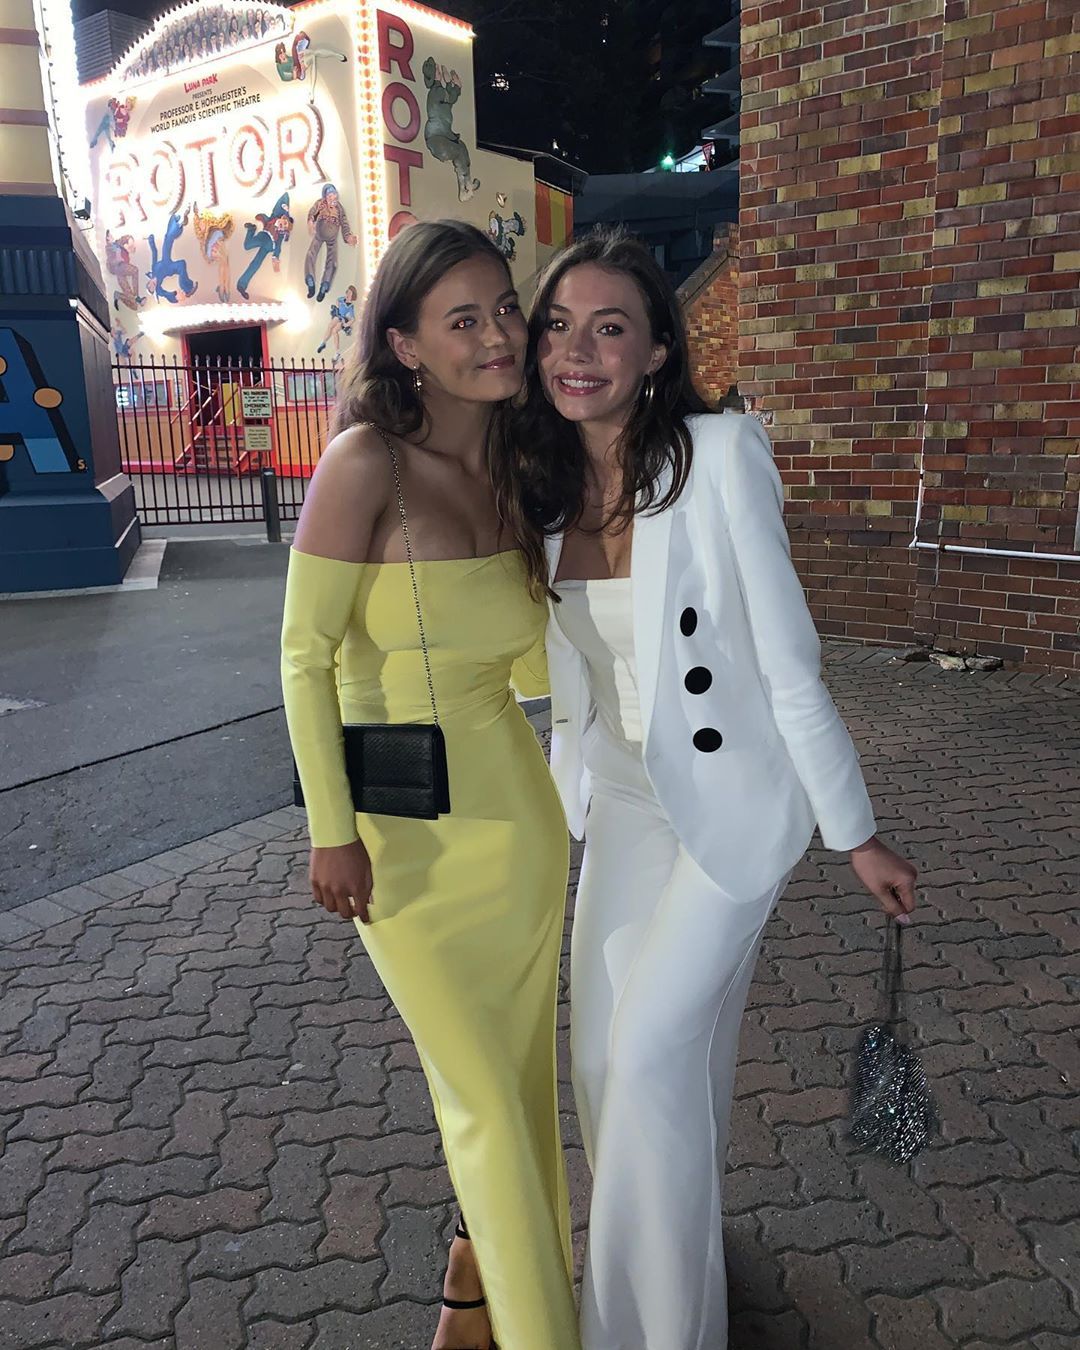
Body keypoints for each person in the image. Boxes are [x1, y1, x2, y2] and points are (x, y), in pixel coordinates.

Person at [496, 227, 920, 1350]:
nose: (577, 351)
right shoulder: (539, 482)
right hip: (624, 804)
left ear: (655, 352)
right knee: (609, 1063)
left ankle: (644, 1333)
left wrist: (856, 833)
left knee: (647, 1056)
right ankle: (680, 1274)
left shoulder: (720, 454)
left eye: (610, 328)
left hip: (734, 812)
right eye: (558, 327)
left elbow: (788, 665)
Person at [280, 220, 580, 1350]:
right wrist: (330, 830)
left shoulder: (516, 467)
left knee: (518, 1083)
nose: (499, 334)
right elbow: (302, 659)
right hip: (401, 841)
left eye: (505, 308)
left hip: (517, 822)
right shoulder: (366, 464)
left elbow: (537, 670)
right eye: (464, 319)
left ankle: (478, 1276)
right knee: (483, 1099)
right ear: (406, 345)